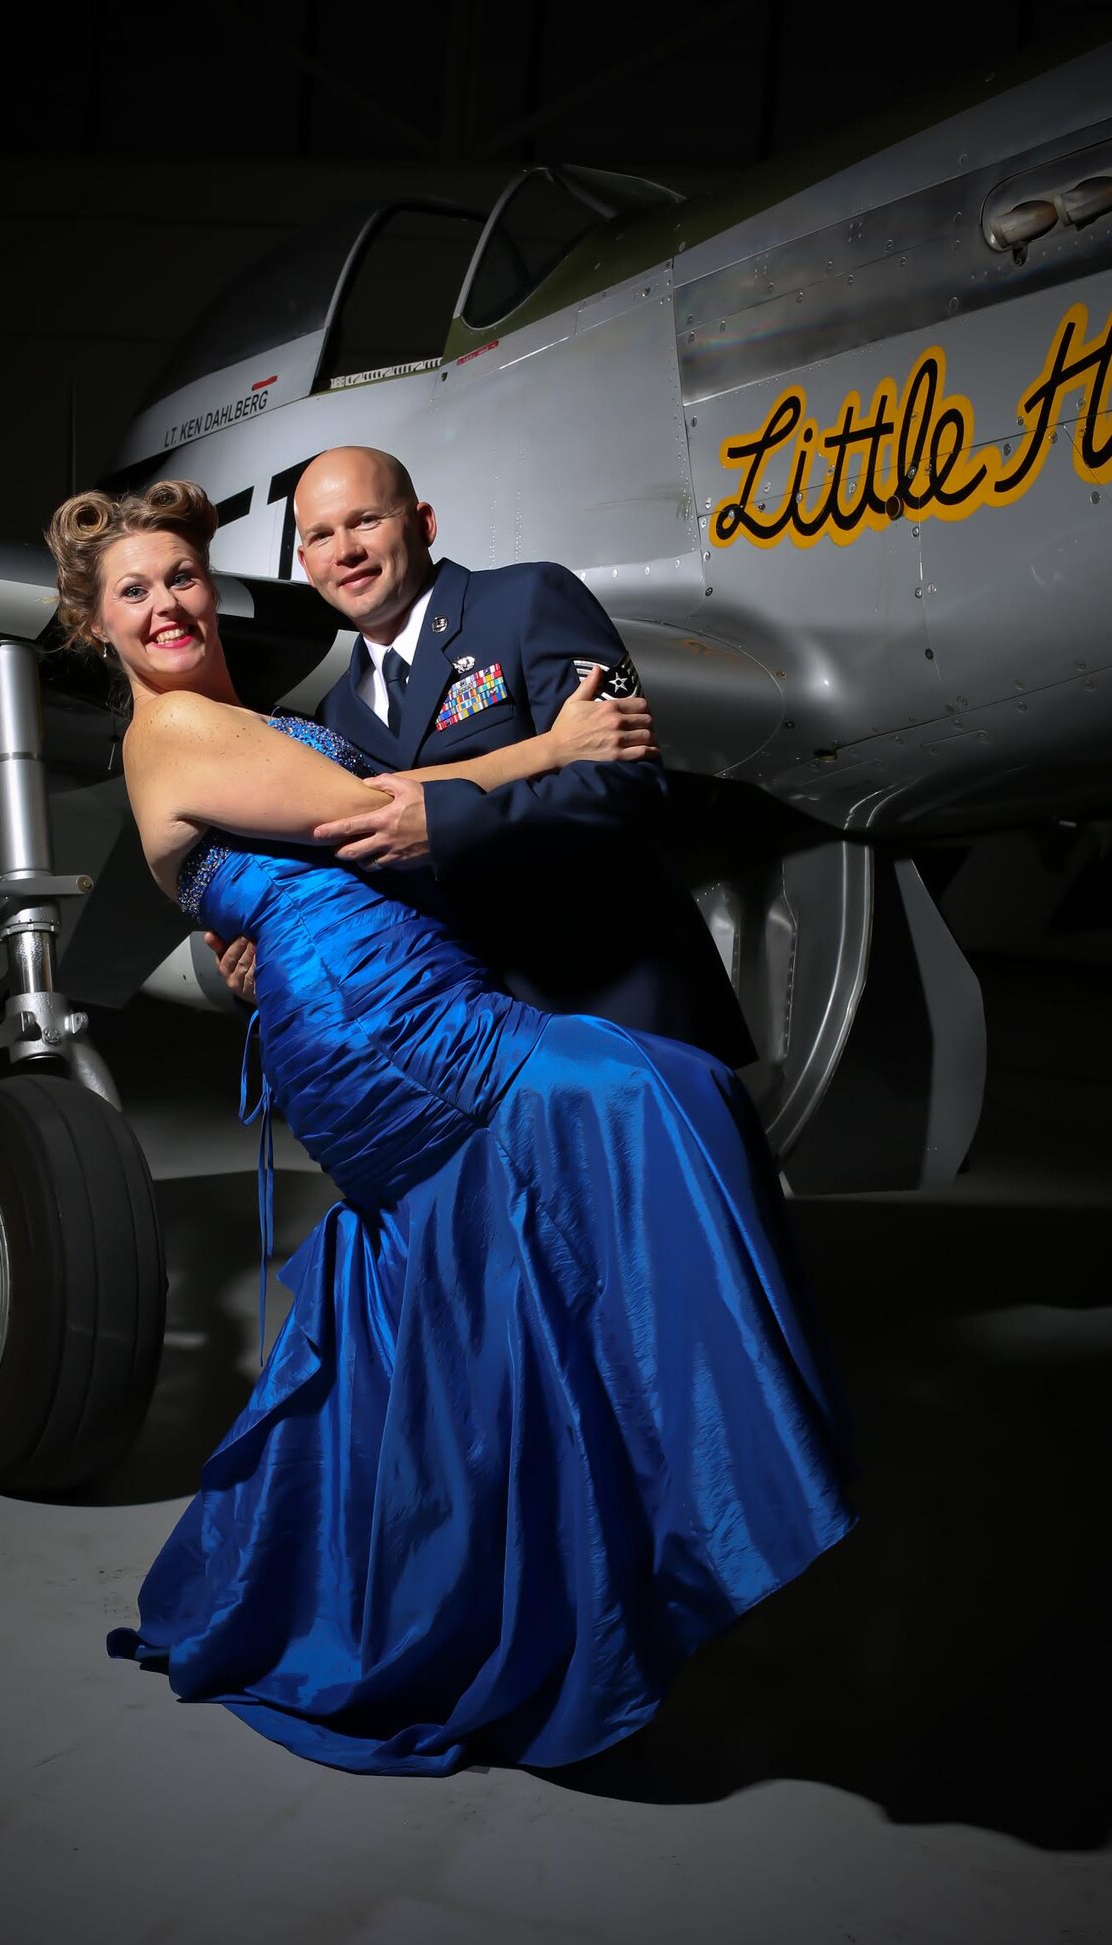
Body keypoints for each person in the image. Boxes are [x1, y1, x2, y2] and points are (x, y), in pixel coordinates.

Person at [45, 478, 854, 1778]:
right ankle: (727, 1496)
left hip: (397, 995)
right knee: (653, 1096)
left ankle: (485, 1596)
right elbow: (372, 818)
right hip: (390, 1032)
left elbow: (328, 854)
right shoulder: (175, 740)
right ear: (96, 628)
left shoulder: (224, 723)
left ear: (210, 581)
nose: (166, 603)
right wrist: (557, 745)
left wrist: (250, 920)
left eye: (180, 575)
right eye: (132, 591)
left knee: (496, 1296)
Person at [212, 446, 754, 1069]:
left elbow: (630, 788)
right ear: (307, 565)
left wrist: (443, 825)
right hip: (481, 1052)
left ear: (423, 523)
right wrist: (275, 957)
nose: (346, 552)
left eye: (366, 521)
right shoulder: (337, 716)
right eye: (321, 536)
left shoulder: (530, 600)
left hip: (626, 1017)